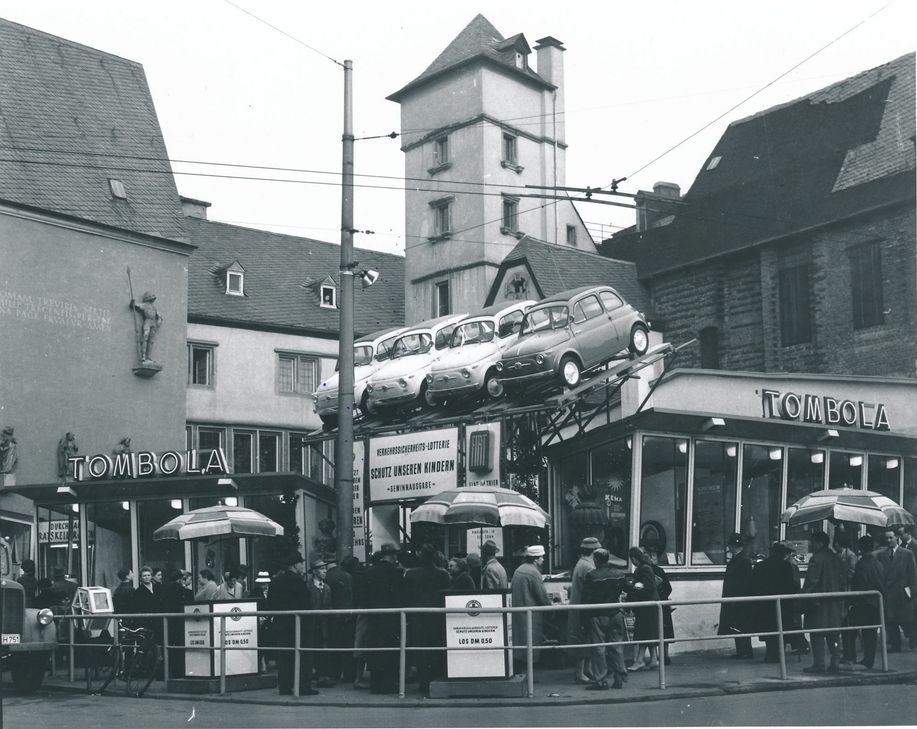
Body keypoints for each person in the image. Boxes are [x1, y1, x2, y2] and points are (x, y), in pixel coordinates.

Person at [264, 552, 318, 696]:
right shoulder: (298, 581)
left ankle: (285, 686)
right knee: (303, 656)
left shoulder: (276, 581)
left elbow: (270, 603)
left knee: (285, 656)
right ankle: (303, 687)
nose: (302, 566)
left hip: (282, 625)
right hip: (299, 624)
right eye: (300, 563)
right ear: (294, 565)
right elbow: (306, 603)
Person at [403, 543, 450, 694]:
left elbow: (407, 596)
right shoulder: (442, 574)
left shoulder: (411, 574)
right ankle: (434, 680)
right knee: (436, 649)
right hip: (437, 617)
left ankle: (423, 682)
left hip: (418, 617)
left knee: (420, 650)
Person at [581, 548, 627, 690]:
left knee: (599, 648)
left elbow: (586, 599)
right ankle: (619, 677)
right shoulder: (619, 574)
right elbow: (627, 588)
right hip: (615, 613)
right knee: (616, 646)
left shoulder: (592, 575)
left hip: (598, 615)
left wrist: (583, 621)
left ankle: (601, 680)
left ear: (595, 560)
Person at [802, 531, 847, 673]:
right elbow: (843, 580)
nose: (812, 545)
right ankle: (835, 662)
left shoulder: (816, 559)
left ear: (819, 542)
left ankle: (819, 664)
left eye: (813, 542)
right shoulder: (836, 558)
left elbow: (811, 582)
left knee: (817, 634)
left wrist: (804, 597)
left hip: (819, 603)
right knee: (833, 634)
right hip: (834, 602)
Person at [363, 543, 404, 694]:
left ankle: (376, 684)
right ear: (393, 555)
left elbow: (364, 595)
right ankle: (389, 684)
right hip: (391, 618)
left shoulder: (370, 572)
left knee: (376, 649)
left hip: (374, 617)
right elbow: (398, 596)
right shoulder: (396, 572)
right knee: (390, 651)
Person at [752, 541, 798, 663]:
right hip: (782, 604)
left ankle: (770, 654)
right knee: (780, 630)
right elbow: (791, 586)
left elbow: (754, 586)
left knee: (769, 630)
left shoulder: (760, 566)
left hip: (765, 604)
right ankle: (778, 655)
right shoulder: (785, 566)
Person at [510, 545, 552, 668]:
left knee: (521, 644)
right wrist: (551, 609)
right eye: (541, 557)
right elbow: (542, 596)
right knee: (531, 644)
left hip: (519, 612)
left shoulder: (520, 569)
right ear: (535, 559)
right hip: (531, 615)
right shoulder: (534, 573)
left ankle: (524, 673)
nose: (543, 560)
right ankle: (529, 676)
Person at [876, 528, 917, 652]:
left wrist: (911, 590)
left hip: (902, 593)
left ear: (897, 538)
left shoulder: (906, 553)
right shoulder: (881, 554)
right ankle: (895, 645)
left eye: (891, 538)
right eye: (886, 538)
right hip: (888, 593)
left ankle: (913, 637)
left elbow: (913, 573)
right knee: (890, 621)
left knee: (907, 621)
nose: (888, 540)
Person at [848, 535, 885, 668]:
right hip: (876, 602)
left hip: (863, 602)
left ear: (860, 548)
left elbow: (860, 584)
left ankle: (849, 656)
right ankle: (869, 659)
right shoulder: (878, 564)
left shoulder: (862, 564)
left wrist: (852, 600)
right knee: (871, 633)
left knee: (849, 628)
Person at [718, 533, 756, 659]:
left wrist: (737, 598)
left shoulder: (742, 561)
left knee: (740, 625)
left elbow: (745, 582)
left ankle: (745, 651)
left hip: (739, 599)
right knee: (737, 625)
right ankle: (742, 650)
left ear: (733, 546)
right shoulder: (740, 560)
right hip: (736, 598)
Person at [568, 537, 599, 684]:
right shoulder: (589, 566)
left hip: (578, 606)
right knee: (584, 640)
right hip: (584, 608)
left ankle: (587, 670)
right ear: (594, 551)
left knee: (585, 640)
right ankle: (580, 673)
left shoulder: (581, 563)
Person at [624, 546, 660, 671]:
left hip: (647, 605)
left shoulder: (643, 569)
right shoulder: (646, 567)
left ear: (634, 558)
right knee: (649, 632)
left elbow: (648, 587)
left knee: (643, 632)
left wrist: (635, 587)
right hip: (650, 604)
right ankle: (654, 659)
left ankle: (639, 660)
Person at [325, 556, 356, 683]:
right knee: (348, 646)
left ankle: (334, 673)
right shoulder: (347, 576)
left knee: (334, 646)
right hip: (349, 615)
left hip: (334, 617)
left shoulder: (328, 577)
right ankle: (349, 674)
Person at [306, 557, 336, 687]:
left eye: (325, 569)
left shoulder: (327, 588)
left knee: (324, 648)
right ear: (314, 572)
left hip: (324, 623)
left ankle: (322, 675)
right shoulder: (308, 586)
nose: (325, 571)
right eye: (321, 569)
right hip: (311, 623)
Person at [161, 569, 193, 677]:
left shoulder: (162, 589)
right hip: (180, 622)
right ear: (180, 579)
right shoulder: (186, 591)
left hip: (167, 621)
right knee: (179, 646)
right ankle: (179, 672)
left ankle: (166, 673)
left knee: (168, 646)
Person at [649, 553, 675, 666]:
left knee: (654, 631)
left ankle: (654, 657)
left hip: (653, 603)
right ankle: (665, 656)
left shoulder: (644, 570)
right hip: (663, 604)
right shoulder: (660, 570)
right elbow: (668, 588)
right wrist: (663, 596)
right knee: (666, 631)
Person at [133, 565, 165, 644]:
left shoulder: (158, 587)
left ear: (151, 576)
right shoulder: (138, 592)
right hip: (148, 622)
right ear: (141, 578)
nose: (147, 577)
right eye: (144, 576)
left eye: (148, 575)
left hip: (160, 620)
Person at [130, 291, 163, 362]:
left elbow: (160, 317)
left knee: (151, 341)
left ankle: (149, 357)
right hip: (147, 322)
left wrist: (158, 323)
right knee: (145, 337)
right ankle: (144, 355)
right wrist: (133, 302)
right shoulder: (144, 305)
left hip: (153, 323)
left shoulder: (154, 307)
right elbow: (136, 305)